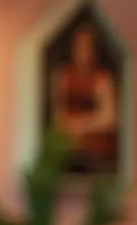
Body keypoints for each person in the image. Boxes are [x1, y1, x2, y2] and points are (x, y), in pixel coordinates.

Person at [50, 22, 119, 174]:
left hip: (96, 155)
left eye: (88, 46)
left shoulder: (102, 79)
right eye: (80, 46)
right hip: (68, 151)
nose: (84, 52)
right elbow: (58, 116)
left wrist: (79, 126)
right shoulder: (63, 76)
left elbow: (110, 119)